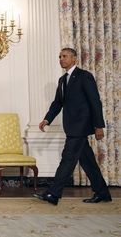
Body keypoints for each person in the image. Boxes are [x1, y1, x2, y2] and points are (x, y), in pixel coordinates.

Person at [32, 48, 111, 205]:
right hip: (72, 126)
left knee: (67, 159)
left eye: (65, 56)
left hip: (81, 127)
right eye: (60, 56)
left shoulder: (84, 76)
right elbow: (57, 103)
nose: (61, 59)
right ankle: (102, 193)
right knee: (88, 161)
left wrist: (98, 126)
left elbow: (95, 102)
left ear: (74, 59)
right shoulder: (62, 80)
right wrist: (47, 119)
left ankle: (53, 194)